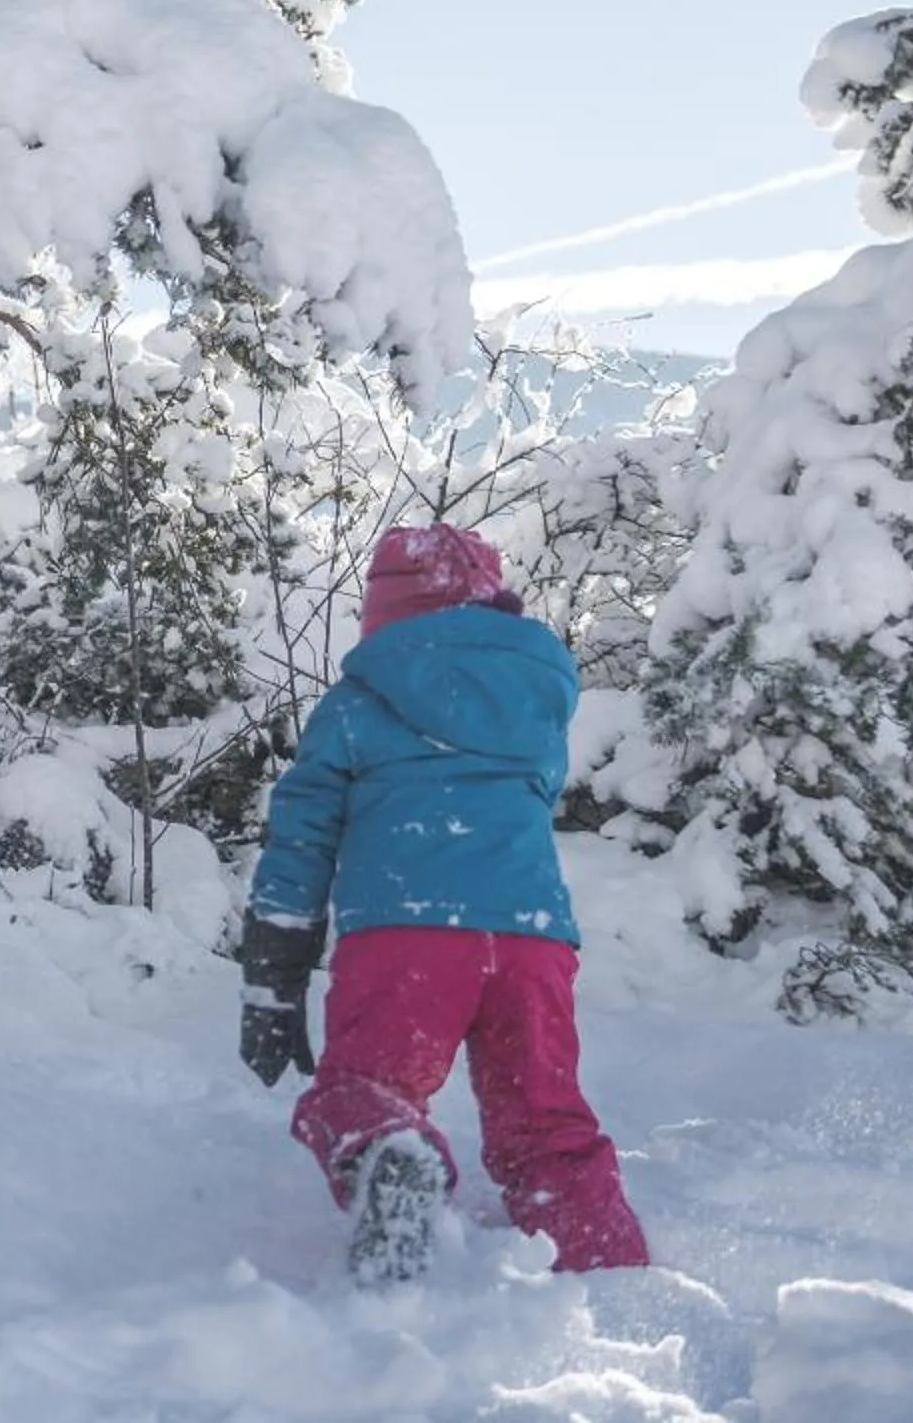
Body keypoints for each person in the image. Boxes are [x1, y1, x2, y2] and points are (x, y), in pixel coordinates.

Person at [236, 523, 649, 1285]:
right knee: (546, 1124)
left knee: (368, 1091)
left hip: (406, 930)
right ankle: (609, 1269)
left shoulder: (359, 703)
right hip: (531, 938)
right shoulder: (536, 703)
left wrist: (274, 974)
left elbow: (302, 838)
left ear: (385, 613)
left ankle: (392, 1155)